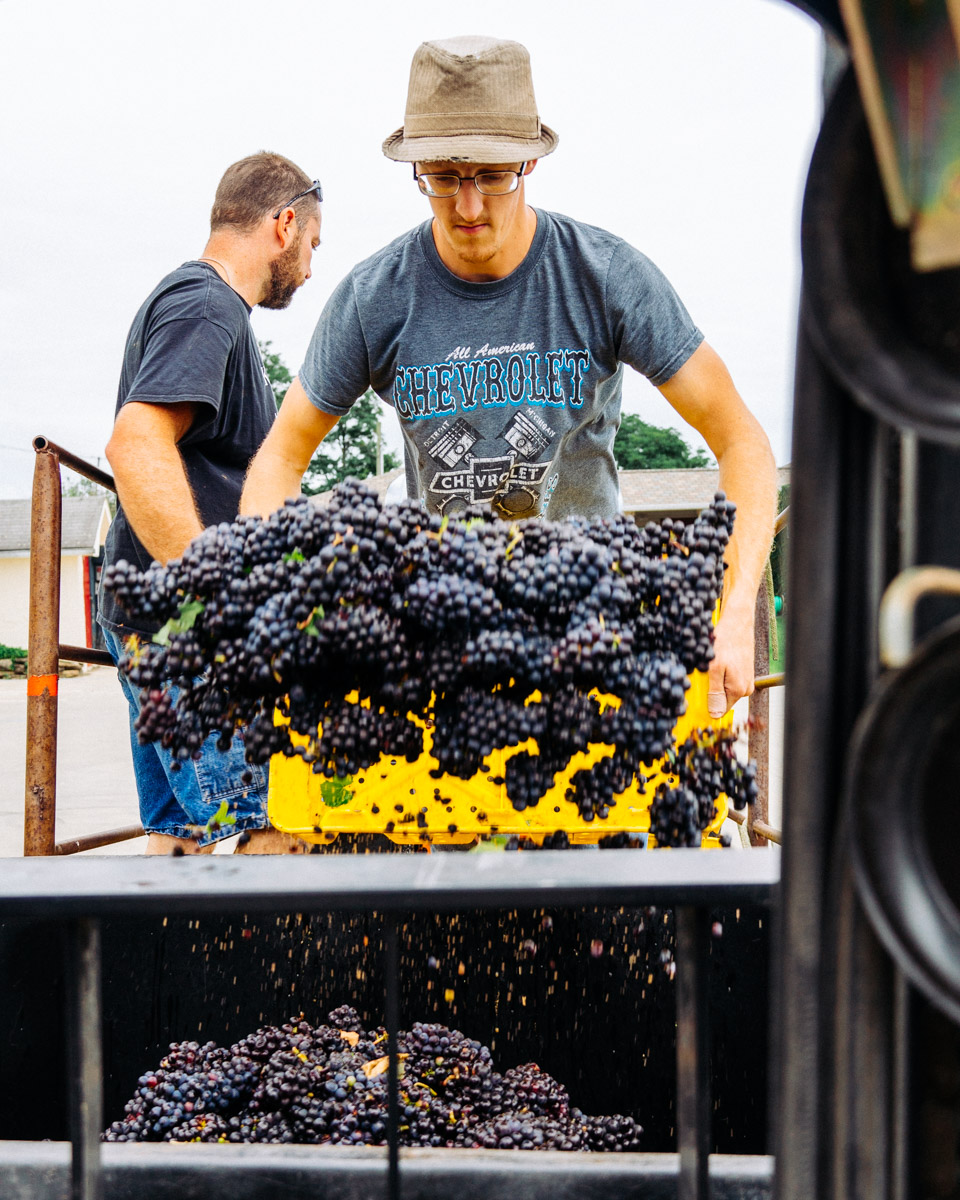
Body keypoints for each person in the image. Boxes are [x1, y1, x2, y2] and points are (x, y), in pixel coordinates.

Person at [240, 36, 778, 719]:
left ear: (529, 162)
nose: (467, 206)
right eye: (441, 175)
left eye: (492, 175)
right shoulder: (376, 297)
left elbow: (741, 442)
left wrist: (732, 613)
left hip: (591, 634)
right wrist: (272, 600)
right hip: (449, 644)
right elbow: (280, 458)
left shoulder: (606, 276)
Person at [98, 151, 323, 855]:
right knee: (276, 819)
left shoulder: (200, 306)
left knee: (180, 831)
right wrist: (214, 603)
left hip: (145, 618)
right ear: (284, 225)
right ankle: (271, 969)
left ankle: (158, 966)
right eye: (313, 245)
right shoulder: (207, 305)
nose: (311, 268)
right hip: (182, 630)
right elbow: (134, 446)